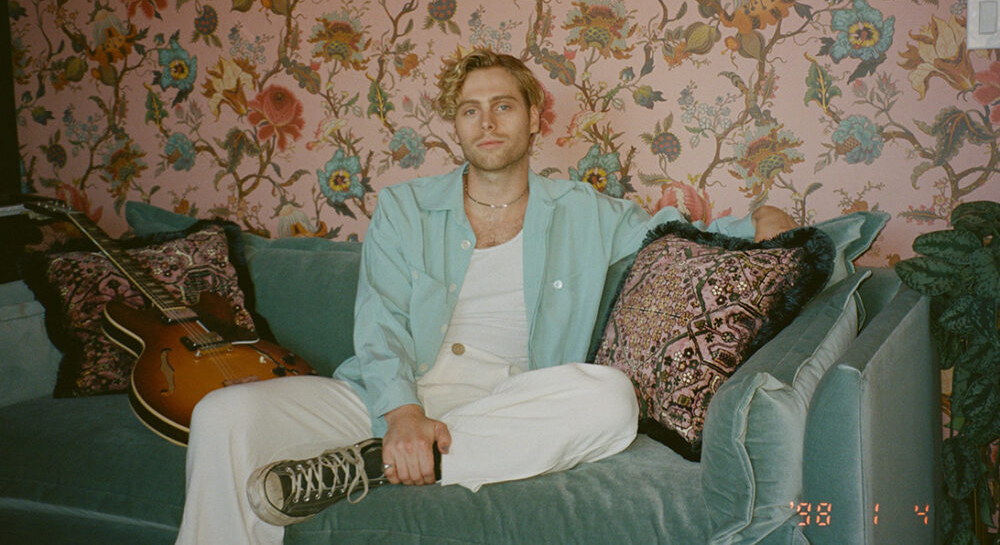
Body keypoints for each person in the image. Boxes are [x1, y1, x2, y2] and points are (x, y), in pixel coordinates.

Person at [175, 49, 797, 544]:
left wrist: (761, 222)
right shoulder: (403, 208)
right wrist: (403, 416)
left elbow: (676, 236)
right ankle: (392, 449)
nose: (488, 121)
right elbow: (381, 322)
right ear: (456, 125)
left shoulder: (583, 210)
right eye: (471, 110)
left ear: (534, 117)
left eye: (504, 106)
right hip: (386, 400)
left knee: (610, 399)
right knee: (223, 415)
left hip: (507, 402)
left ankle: (362, 468)